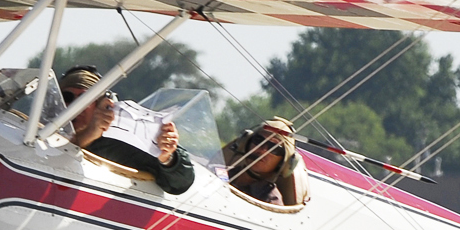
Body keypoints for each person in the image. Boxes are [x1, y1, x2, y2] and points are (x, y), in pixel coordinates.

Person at [59, 65, 195, 195]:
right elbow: (55, 154)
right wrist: (88, 134)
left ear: (100, 104)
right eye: (67, 97)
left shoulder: (119, 142)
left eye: (85, 98)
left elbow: (180, 182)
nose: (75, 105)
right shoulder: (41, 132)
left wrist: (168, 156)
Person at [224, 117, 309, 206]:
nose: (263, 150)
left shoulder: (271, 202)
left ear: (284, 162)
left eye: (274, 148)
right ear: (246, 142)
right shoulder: (220, 173)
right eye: (258, 140)